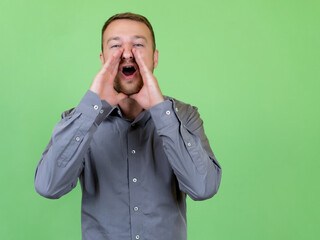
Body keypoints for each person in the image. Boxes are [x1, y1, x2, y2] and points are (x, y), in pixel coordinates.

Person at [34, 12, 221, 240]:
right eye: (116, 45)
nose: (127, 53)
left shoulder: (185, 116)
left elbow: (203, 188)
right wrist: (91, 108)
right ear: (103, 59)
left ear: (155, 58)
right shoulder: (77, 120)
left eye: (138, 44)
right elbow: (48, 186)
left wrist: (161, 112)